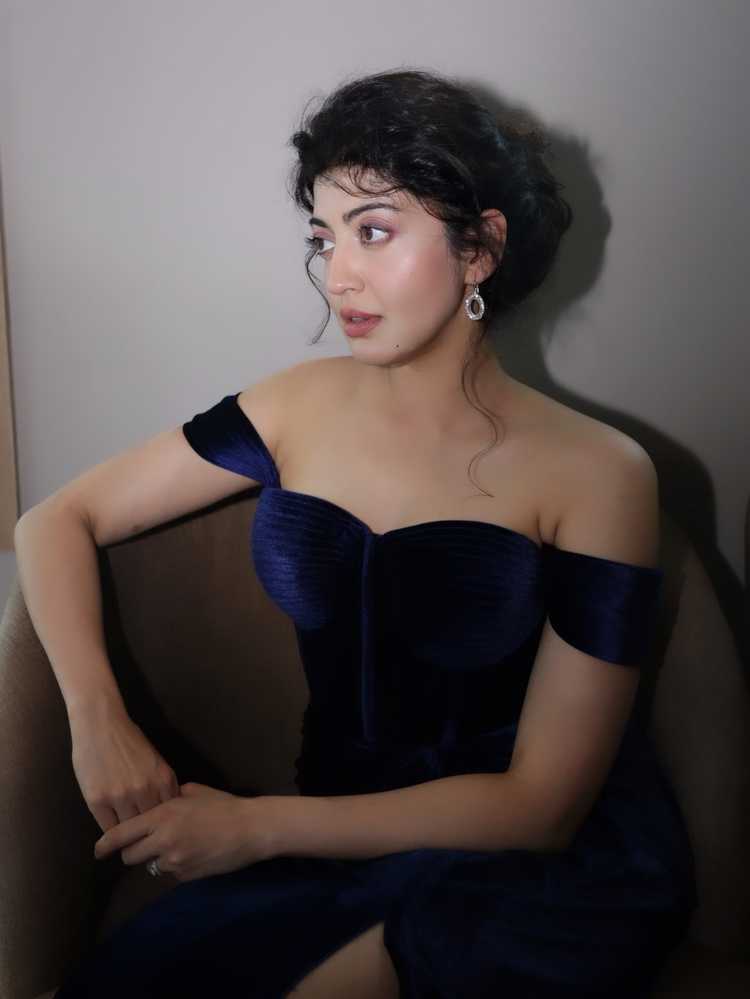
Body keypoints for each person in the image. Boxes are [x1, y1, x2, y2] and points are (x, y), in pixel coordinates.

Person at [18, 67, 697, 998]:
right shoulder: (294, 405)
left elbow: (541, 807)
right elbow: (54, 518)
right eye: (324, 236)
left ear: (481, 248)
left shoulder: (601, 471)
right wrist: (97, 720)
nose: (339, 275)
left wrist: (256, 827)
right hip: (333, 835)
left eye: (373, 230)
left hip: (531, 866)